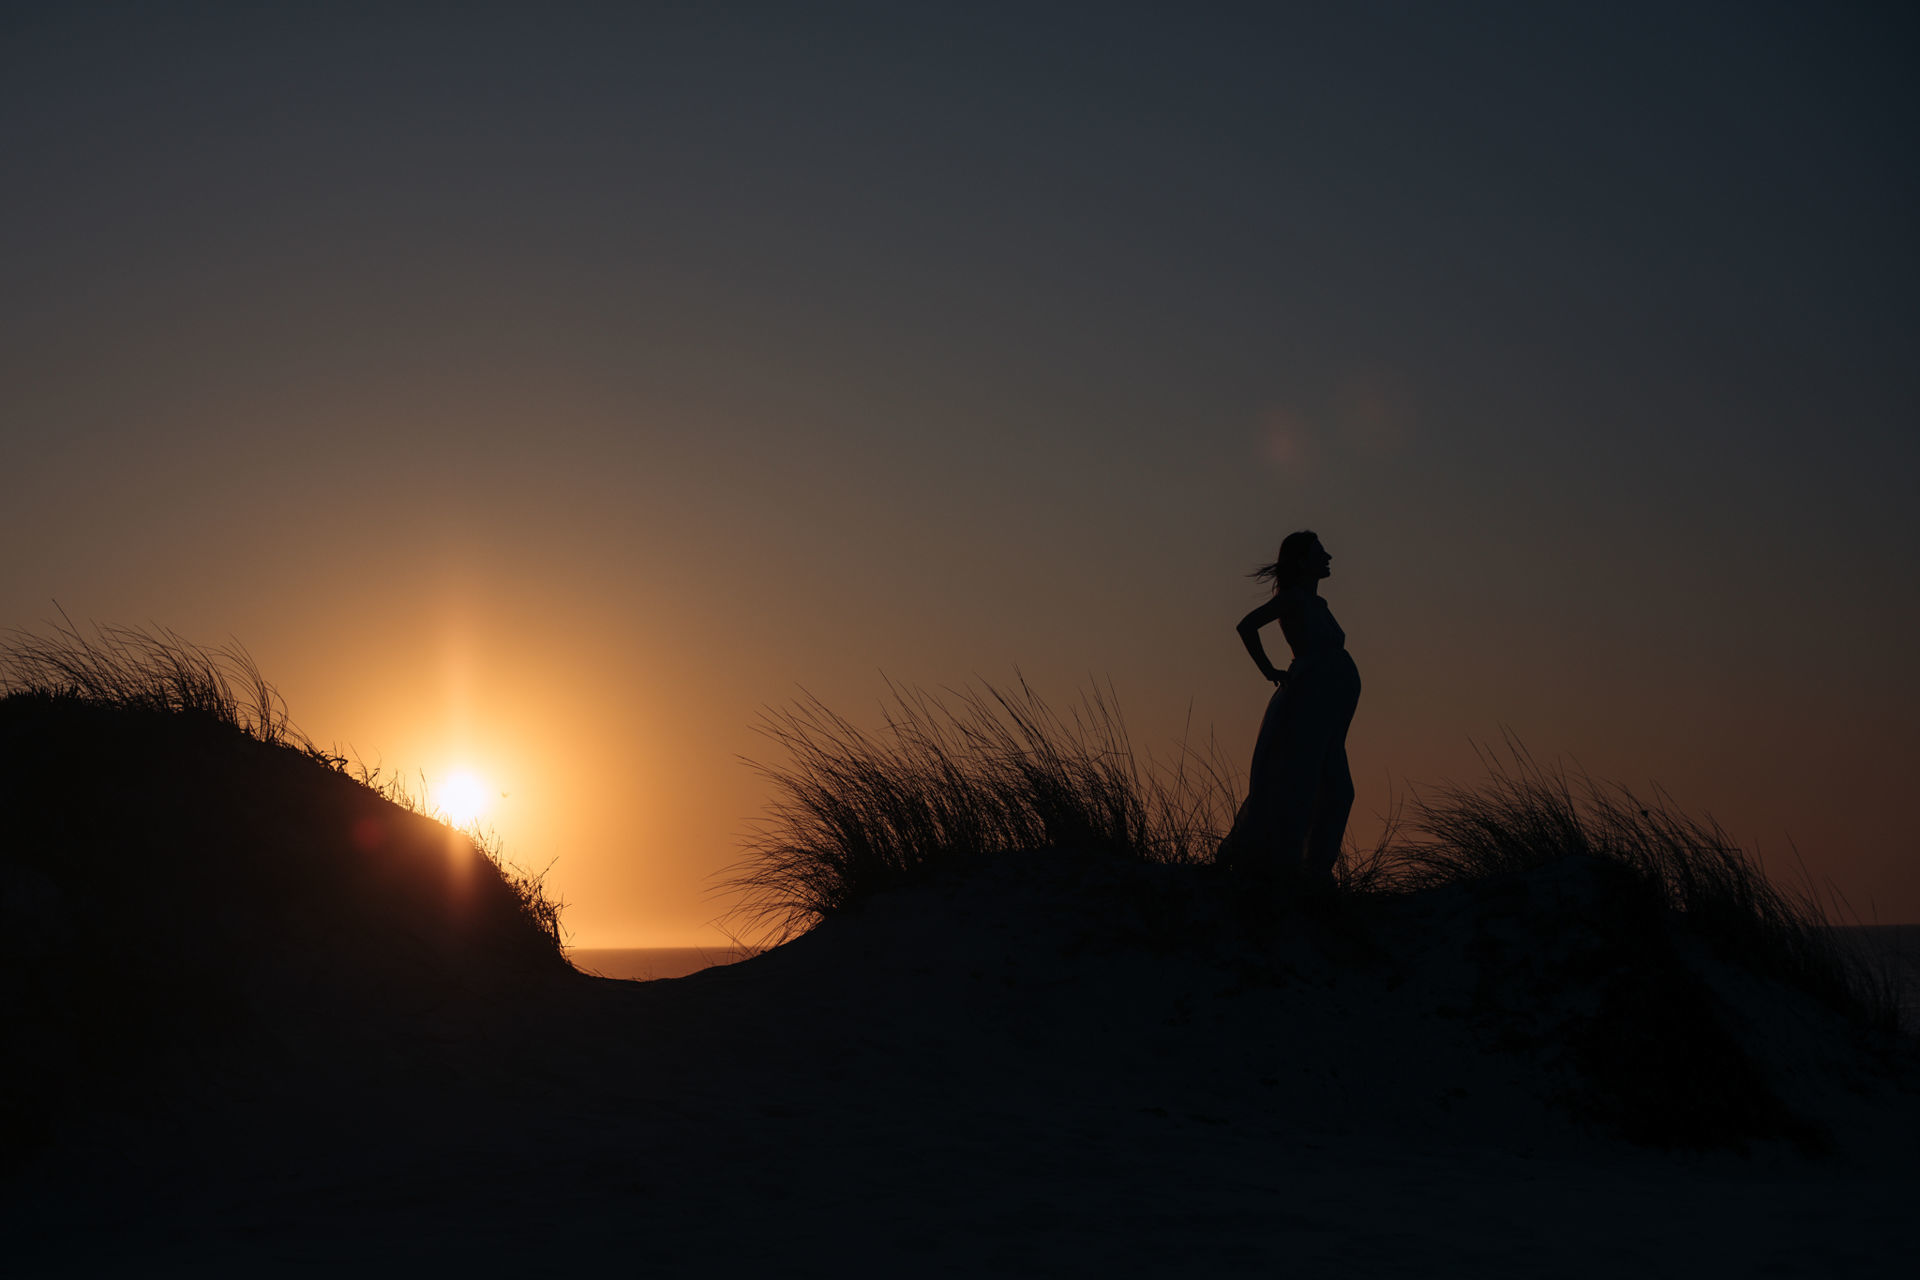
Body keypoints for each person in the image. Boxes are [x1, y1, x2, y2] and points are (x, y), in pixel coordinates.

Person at [1219, 530, 1362, 886]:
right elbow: (1247, 625)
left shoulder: (1319, 604)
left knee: (1337, 789)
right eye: (1320, 552)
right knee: (1297, 785)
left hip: (1327, 715)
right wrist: (1268, 670)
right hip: (1304, 707)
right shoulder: (1293, 599)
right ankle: (1288, 870)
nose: (1328, 557)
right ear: (1302, 562)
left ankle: (1313, 869)